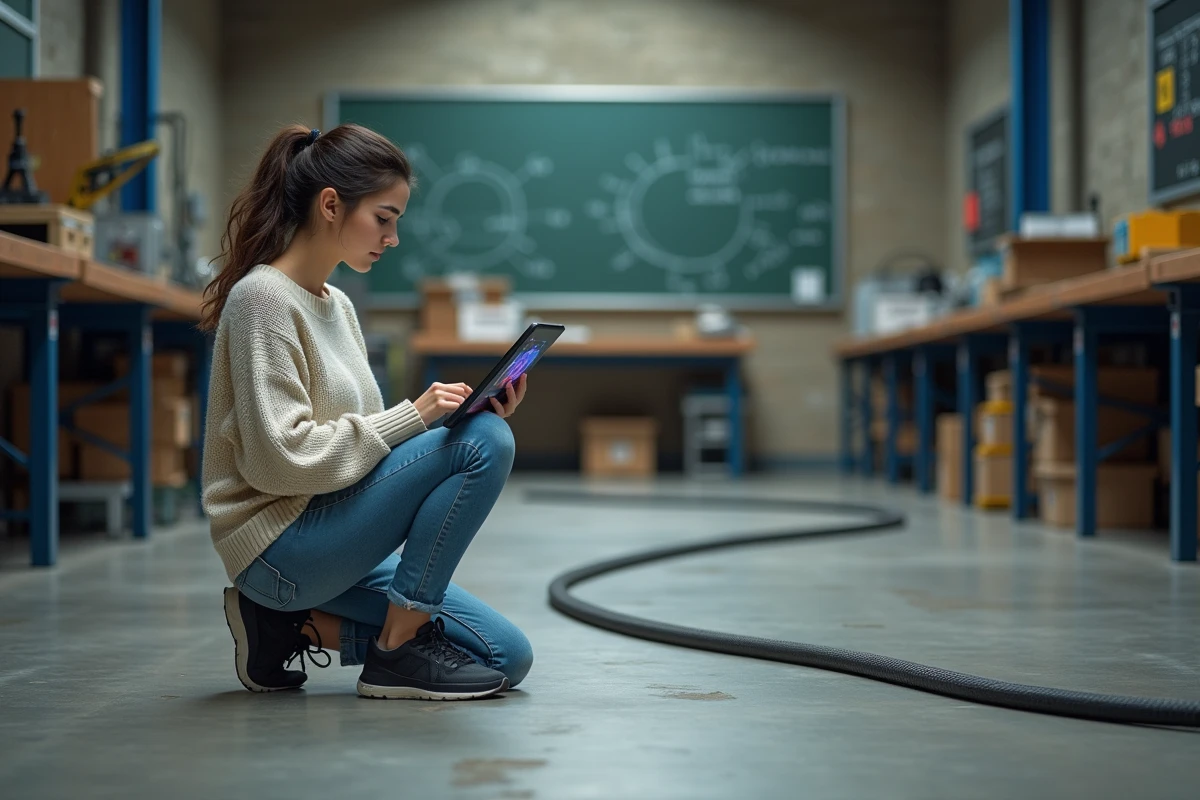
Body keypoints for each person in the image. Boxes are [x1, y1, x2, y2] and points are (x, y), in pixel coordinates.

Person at [198, 123, 532, 701]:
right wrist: (418, 417)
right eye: (384, 217)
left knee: (507, 655)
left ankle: (284, 629)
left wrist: (461, 417)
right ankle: (397, 653)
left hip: (334, 537)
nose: (393, 237)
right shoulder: (262, 300)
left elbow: (369, 460)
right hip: (280, 549)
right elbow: (283, 461)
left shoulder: (339, 304)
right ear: (331, 205)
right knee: (484, 444)